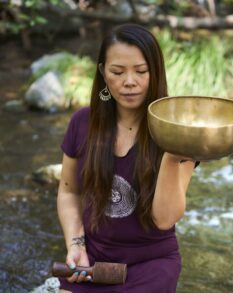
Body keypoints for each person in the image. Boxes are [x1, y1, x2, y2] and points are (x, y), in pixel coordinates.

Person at [57, 23, 197, 293]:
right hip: (93, 260)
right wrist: (76, 245)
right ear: (103, 73)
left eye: (141, 71)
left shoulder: (177, 130)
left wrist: (171, 154)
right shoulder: (82, 122)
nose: (129, 81)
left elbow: (165, 220)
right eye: (117, 72)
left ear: (155, 73)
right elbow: (68, 192)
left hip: (151, 264)